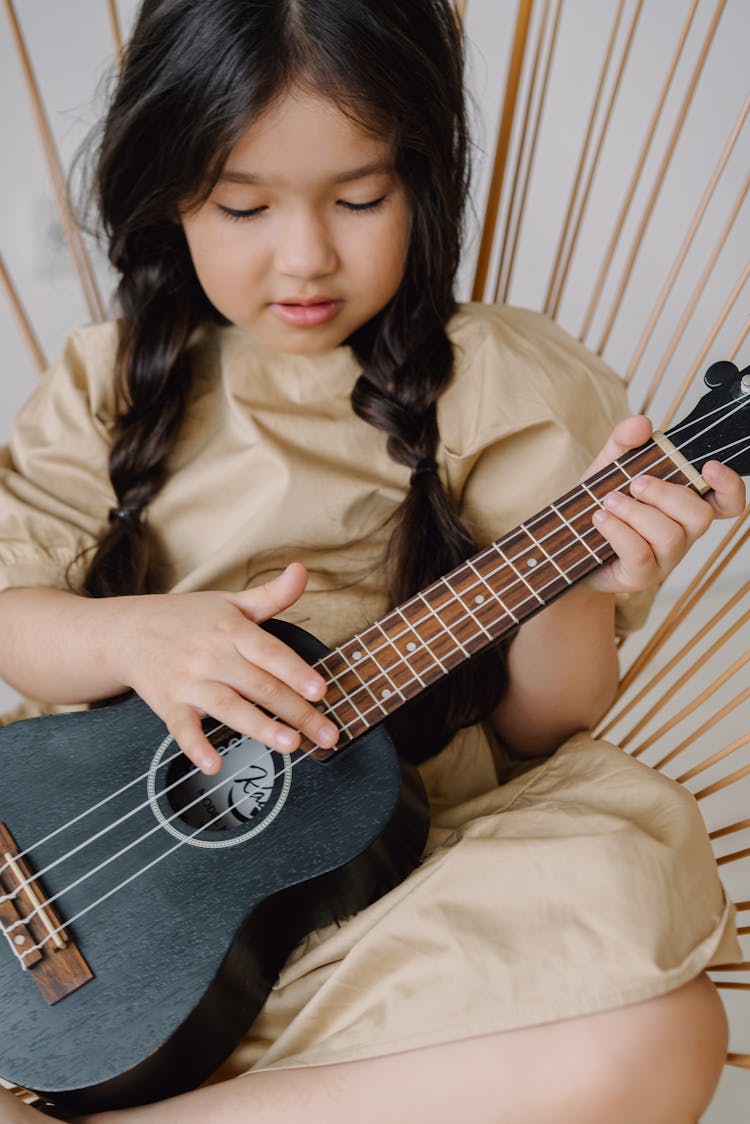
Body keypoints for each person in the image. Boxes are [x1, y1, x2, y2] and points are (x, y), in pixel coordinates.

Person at [0, 1, 745, 1121]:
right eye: (243, 205)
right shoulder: (114, 382)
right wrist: (132, 636)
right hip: (130, 913)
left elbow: (546, 724)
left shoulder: (503, 379)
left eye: (360, 198)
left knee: (668, 1027)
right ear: (169, 191)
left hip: (409, 913)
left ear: (423, 181)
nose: (306, 254)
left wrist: (580, 584)